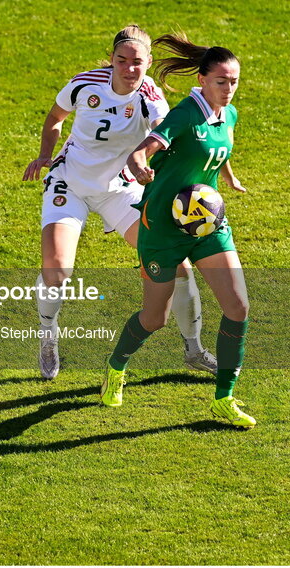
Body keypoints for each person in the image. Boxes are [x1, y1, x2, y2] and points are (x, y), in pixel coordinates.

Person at [23, 25, 216, 380]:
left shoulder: (150, 95)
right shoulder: (85, 84)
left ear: (149, 63)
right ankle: (47, 335)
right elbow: (55, 118)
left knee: (178, 267)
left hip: (120, 190)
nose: (129, 69)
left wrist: (153, 166)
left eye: (137, 63)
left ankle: (194, 349)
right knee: (56, 271)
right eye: (121, 60)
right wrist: (44, 155)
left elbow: (163, 133)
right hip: (72, 183)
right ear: (112, 59)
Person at [99, 33, 256, 428]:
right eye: (221, 81)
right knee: (155, 318)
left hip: (205, 222)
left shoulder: (229, 114)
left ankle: (224, 398)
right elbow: (148, 145)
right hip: (163, 229)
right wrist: (137, 162)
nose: (229, 89)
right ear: (202, 79)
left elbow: (217, 151)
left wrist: (229, 177)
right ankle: (116, 366)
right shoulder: (185, 113)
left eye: (234, 81)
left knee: (238, 306)